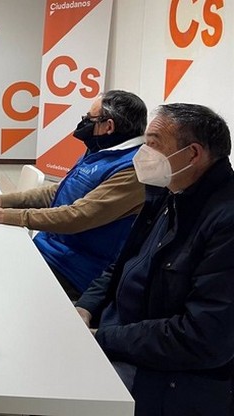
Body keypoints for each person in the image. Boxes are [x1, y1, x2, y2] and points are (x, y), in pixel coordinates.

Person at [75, 103, 234, 415]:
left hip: (162, 373)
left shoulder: (225, 222)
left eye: (153, 144)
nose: (142, 154)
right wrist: (86, 306)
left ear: (193, 154)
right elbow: (123, 262)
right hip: (120, 335)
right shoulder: (170, 192)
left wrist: (103, 338)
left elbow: (202, 338)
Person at [0, 90, 147, 299]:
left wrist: (5, 216)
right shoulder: (100, 151)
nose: (84, 123)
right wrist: (1, 200)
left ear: (108, 126)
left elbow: (78, 216)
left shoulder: (132, 170)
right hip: (48, 248)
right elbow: (58, 191)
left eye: (89, 118)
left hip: (72, 269)